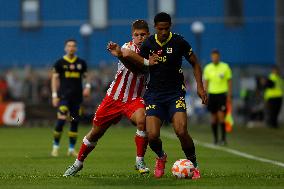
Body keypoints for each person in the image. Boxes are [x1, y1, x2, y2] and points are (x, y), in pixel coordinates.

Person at [109, 12, 207, 179]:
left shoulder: (179, 41)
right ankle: (161, 157)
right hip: (154, 95)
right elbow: (139, 69)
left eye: (166, 28)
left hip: (175, 94)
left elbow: (195, 63)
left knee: (181, 130)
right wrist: (128, 57)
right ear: (155, 28)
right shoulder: (148, 44)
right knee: (153, 135)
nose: (163, 32)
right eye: (160, 29)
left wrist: (200, 87)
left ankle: (194, 165)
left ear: (170, 27)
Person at [63, 20, 158, 176]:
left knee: (142, 120)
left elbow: (142, 69)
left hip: (134, 99)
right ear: (132, 36)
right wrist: (129, 57)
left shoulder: (153, 52)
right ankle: (78, 163)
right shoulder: (127, 48)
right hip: (114, 98)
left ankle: (139, 160)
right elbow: (133, 63)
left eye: (143, 35)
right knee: (95, 133)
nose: (140, 38)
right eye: (137, 35)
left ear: (148, 35)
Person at [51, 39, 91, 157]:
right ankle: (55, 147)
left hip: (77, 98)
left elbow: (87, 76)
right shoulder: (59, 63)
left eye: (73, 46)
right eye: (69, 46)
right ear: (65, 48)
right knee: (61, 120)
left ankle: (71, 149)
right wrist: (54, 95)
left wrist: (87, 87)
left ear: (76, 48)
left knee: (74, 122)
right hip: (63, 97)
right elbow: (54, 79)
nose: (71, 48)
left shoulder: (81, 63)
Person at [203, 49, 232, 145]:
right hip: (212, 95)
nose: (215, 58)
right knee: (213, 118)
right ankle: (215, 139)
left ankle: (223, 139)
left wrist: (229, 95)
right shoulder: (208, 68)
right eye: (213, 56)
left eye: (216, 56)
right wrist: (205, 95)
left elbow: (229, 81)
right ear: (211, 57)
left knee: (221, 116)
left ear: (219, 57)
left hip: (222, 94)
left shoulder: (225, 67)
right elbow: (206, 83)